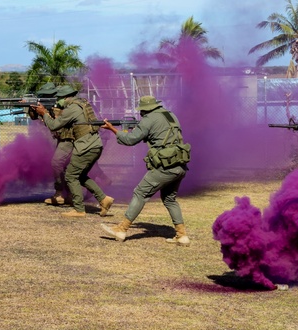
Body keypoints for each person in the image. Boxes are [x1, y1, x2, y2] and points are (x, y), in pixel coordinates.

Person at [100, 95, 191, 244]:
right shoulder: (170, 115)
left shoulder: (148, 120)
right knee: (169, 199)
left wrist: (112, 129)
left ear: (144, 110)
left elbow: (130, 140)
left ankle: (121, 229)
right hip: (179, 163)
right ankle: (182, 235)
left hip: (165, 166)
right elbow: (161, 135)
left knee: (140, 193)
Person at [41, 84, 114, 218]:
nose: (58, 101)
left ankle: (79, 209)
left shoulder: (72, 108)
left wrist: (44, 114)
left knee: (70, 176)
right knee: (80, 176)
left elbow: (53, 125)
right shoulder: (82, 104)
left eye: (59, 98)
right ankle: (104, 199)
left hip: (85, 146)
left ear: (65, 97)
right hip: (94, 144)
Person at [28, 82, 73, 206]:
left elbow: (57, 122)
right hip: (62, 139)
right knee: (63, 167)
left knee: (59, 164)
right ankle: (66, 194)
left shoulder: (65, 106)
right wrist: (32, 108)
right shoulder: (53, 107)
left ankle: (62, 194)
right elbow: (34, 118)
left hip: (69, 139)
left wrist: (46, 113)